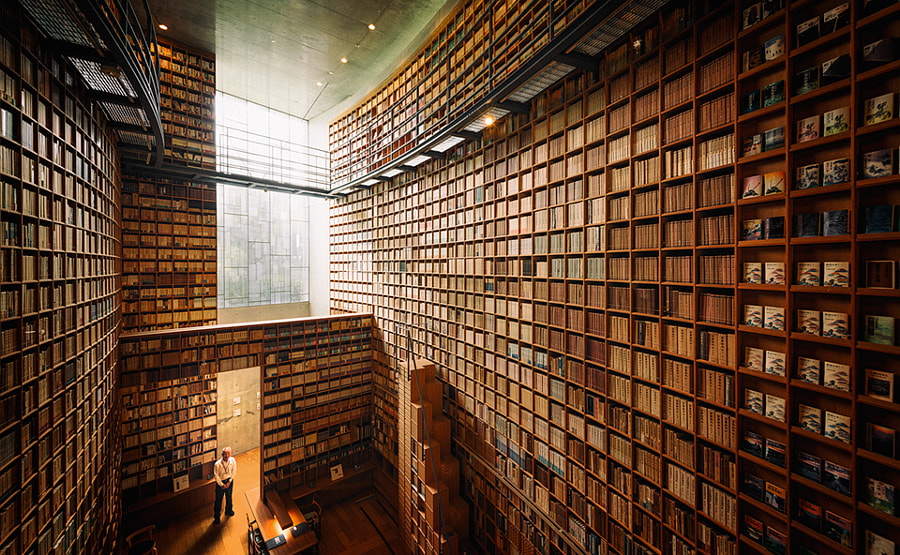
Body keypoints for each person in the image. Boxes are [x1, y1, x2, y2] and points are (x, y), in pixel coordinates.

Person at [213, 446, 236, 524]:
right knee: (218, 500)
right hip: (221, 484)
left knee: (229, 497)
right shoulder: (217, 464)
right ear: (222, 454)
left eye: (228, 454)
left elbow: (234, 471)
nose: (227, 456)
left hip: (229, 481)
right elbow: (216, 476)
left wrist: (230, 481)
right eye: (225, 454)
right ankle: (217, 517)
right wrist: (221, 484)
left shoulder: (232, 460)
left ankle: (228, 511)